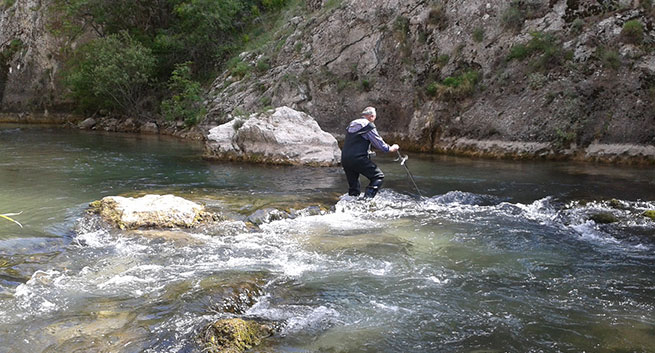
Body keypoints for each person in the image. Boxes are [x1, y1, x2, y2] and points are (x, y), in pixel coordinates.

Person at [341, 106, 399, 198]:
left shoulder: (352, 124)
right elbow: (380, 144)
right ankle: (367, 201)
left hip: (345, 158)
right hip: (358, 159)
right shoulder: (368, 125)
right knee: (378, 177)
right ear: (372, 116)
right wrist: (391, 148)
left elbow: (355, 141)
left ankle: (351, 204)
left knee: (354, 189)